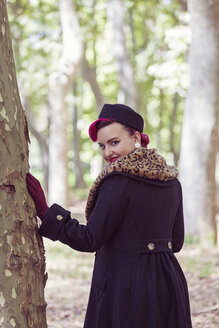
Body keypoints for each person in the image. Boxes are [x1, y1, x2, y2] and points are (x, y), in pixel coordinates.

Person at [26, 103, 192, 328]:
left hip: (126, 287)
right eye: (102, 146)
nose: (107, 153)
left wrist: (46, 211)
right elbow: (177, 242)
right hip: (168, 284)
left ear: (136, 136)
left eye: (114, 142)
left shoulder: (118, 180)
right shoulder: (172, 182)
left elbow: (89, 239)